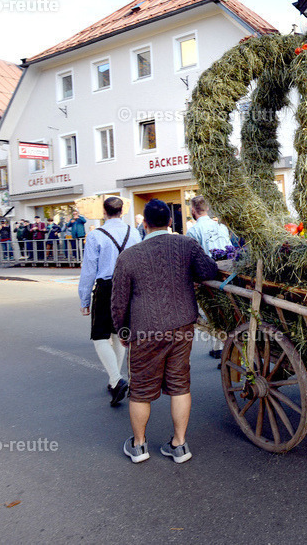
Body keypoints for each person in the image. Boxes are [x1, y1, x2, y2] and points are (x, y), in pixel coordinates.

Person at [111, 199, 218, 464]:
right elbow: (208, 270)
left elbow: (118, 302)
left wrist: (123, 332)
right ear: (170, 222)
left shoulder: (128, 257)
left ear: (145, 224)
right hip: (182, 326)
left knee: (140, 390)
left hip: (145, 331)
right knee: (180, 385)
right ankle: (179, 445)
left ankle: (139, 446)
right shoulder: (186, 245)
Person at [78, 196, 141, 406]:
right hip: (129, 286)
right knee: (119, 332)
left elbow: (89, 269)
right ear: (122, 212)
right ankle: (114, 381)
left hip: (107, 287)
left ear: (104, 212)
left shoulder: (96, 235)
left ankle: (116, 379)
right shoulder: (134, 232)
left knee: (100, 335)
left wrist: (84, 299)